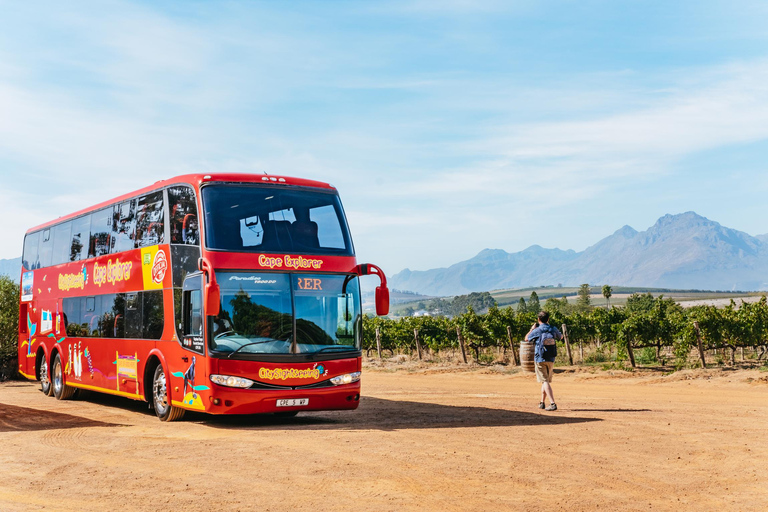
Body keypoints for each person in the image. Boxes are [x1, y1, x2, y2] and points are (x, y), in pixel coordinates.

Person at [525, 311, 562, 411]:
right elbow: (561, 337)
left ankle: (553, 403)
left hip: (540, 358)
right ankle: (542, 402)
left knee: (544, 381)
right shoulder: (552, 328)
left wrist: (531, 329)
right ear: (548, 319)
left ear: (538, 320)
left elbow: (526, 339)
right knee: (545, 381)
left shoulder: (537, 330)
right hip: (551, 358)